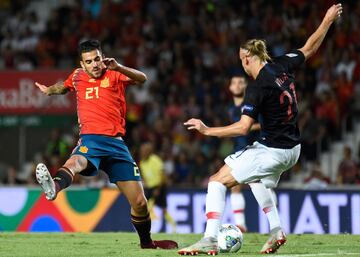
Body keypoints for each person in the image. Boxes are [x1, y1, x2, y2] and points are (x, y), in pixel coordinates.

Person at [178, 4, 342, 255]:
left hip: (272, 150)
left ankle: (210, 238)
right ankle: (276, 230)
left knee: (216, 182)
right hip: (293, 149)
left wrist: (207, 129)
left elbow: (243, 128)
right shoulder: (282, 64)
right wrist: (328, 19)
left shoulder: (257, 87)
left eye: (240, 60)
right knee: (256, 181)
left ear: (246, 59)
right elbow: (310, 47)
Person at [34, 39, 178, 250]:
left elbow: (143, 78)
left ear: (102, 57)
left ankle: (147, 244)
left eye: (97, 59)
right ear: (82, 64)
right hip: (92, 139)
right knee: (76, 161)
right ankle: (53, 187)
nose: (94, 65)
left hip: (117, 145)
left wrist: (118, 66)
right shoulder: (77, 76)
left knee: (139, 202)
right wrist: (49, 91)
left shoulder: (114, 73)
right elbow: (63, 87)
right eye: (89, 61)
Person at [227, 74, 261, 232]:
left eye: (241, 82)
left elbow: (262, 124)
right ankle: (241, 224)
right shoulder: (231, 108)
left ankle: (276, 225)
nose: (238, 85)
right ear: (230, 87)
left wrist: (244, 127)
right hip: (239, 151)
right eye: (235, 82)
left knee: (261, 187)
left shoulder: (251, 104)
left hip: (255, 150)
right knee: (235, 186)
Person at [139, 142, 176, 232]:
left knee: (163, 209)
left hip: (159, 187)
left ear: (149, 151)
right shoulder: (142, 163)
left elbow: (162, 175)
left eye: (144, 151)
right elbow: (144, 176)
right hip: (150, 188)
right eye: (142, 151)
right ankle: (145, 227)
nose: (142, 153)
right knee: (145, 206)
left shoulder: (156, 160)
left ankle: (174, 227)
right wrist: (145, 184)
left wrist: (158, 188)